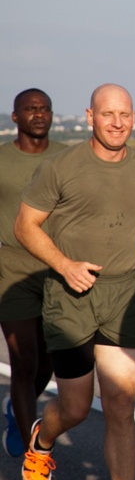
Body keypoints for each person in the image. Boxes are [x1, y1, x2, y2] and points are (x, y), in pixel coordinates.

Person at [14, 84, 135, 480]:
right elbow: (26, 226)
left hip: (124, 295)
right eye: (108, 115)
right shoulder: (61, 167)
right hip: (69, 296)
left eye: (125, 114)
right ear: (90, 116)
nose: (118, 123)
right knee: (75, 407)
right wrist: (65, 264)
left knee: (123, 404)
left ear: (133, 116)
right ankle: (42, 439)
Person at [0, 89, 66, 458]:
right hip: (11, 268)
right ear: (15, 117)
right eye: (31, 109)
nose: (39, 115)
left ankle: (15, 408)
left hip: (58, 268)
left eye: (45, 109)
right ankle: (32, 454)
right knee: (24, 361)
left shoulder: (66, 157)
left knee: (49, 361)